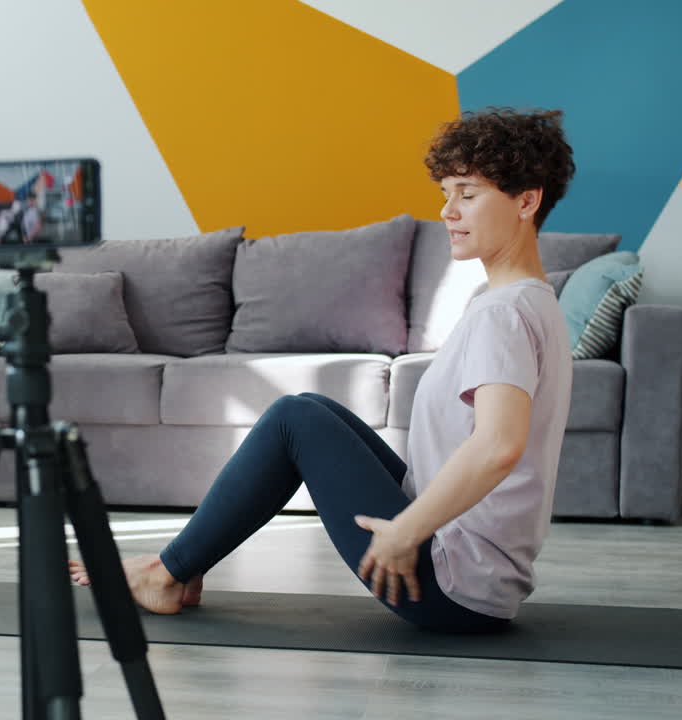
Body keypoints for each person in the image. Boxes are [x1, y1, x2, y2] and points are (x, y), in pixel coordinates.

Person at [69, 107, 577, 633]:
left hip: (449, 581)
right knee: (310, 410)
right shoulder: (523, 300)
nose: (448, 210)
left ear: (527, 200)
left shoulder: (502, 312)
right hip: (474, 576)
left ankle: (167, 572)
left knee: (295, 419)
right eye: (446, 192)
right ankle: (181, 567)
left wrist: (404, 532)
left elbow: (499, 444)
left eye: (467, 194)